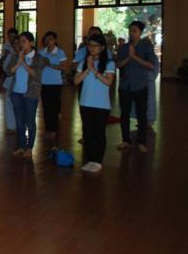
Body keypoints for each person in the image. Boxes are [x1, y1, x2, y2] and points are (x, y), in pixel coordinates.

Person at [74, 34, 115, 173]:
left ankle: (98, 161)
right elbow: (76, 81)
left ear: (102, 47)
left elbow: (108, 82)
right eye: (90, 45)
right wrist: (87, 68)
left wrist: (93, 69)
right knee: (88, 133)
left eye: (95, 45)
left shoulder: (109, 63)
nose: (92, 48)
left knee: (99, 133)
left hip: (101, 105)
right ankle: (90, 159)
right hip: (85, 102)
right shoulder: (83, 63)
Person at [116, 20, 157, 153]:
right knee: (124, 114)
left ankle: (141, 142)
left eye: (134, 31)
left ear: (140, 32)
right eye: (130, 30)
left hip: (140, 85)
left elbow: (151, 65)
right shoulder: (124, 47)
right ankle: (125, 140)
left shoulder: (146, 47)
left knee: (141, 114)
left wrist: (134, 56)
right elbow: (118, 65)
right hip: (125, 86)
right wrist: (129, 57)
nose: (131, 33)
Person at [6, 32, 47, 158]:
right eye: (19, 42)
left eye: (24, 41)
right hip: (16, 93)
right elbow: (8, 72)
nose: (21, 44)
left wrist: (23, 62)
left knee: (30, 122)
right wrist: (18, 62)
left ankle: (29, 148)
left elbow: (36, 75)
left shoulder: (39, 58)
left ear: (32, 43)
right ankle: (21, 146)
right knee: (19, 122)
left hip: (30, 94)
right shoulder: (16, 56)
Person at [39, 31, 68, 139]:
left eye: (50, 39)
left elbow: (64, 67)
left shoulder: (60, 52)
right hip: (44, 83)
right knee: (46, 107)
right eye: (46, 39)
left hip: (55, 84)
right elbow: (37, 65)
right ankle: (48, 129)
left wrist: (50, 64)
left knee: (54, 108)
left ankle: (53, 130)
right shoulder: (41, 52)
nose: (48, 41)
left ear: (55, 40)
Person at [2, 36, 20, 133]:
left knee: (21, 106)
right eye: (15, 44)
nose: (17, 45)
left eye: (19, 43)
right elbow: (5, 68)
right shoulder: (11, 56)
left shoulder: (27, 55)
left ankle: (20, 126)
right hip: (10, 82)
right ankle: (11, 126)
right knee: (9, 104)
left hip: (23, 85)